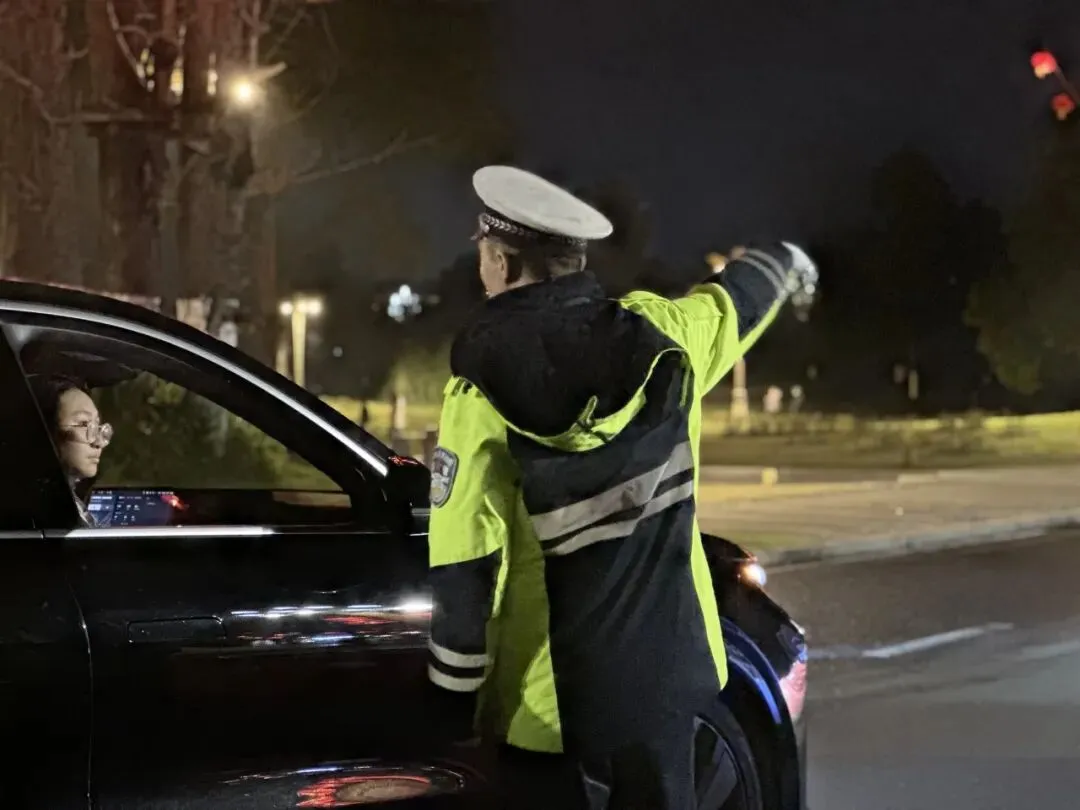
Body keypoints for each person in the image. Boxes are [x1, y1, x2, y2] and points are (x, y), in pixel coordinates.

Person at [425, 165, 818, 809]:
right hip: (668, 679)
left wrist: (449, 701)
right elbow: (736, 301)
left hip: (549, 710)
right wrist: (788, 258)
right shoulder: (665, 336)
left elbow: (466, 558)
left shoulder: (477, 392)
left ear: (501, 262)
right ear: (575, 260)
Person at [28, 374, 113, 525]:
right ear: (47, 431)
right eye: (83, 424)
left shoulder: (68, 504)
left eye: (97, 425)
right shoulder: (41, 515)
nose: (98, 442)